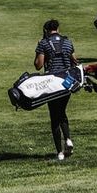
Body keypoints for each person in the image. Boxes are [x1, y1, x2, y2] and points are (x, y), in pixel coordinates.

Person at [34, 19, 78, 161]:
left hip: (52, 82)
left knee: (54, 116)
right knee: (62, 112)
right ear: (58, 28)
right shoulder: (67, 42)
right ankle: (68, 139)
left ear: (46, 30)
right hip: (67, 81)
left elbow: (38, 65)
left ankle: (59, 152)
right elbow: (74, 61)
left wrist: (41, 51)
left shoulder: (44, 43)